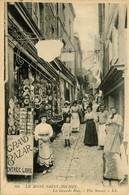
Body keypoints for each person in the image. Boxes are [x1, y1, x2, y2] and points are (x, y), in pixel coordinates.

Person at [103, 107, 125, 181]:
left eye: (114, 110)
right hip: (110, 133)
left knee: (114, 150)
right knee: (108, 150)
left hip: (115, 133)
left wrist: (115, 124)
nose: (112, 111)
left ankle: (117, 174)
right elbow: (107, 123)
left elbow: (120, 125)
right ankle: (108, 173)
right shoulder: (109, 116)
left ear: (116, 110)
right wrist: (107, 127)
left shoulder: (118, 117)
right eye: (111, 110)